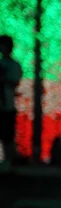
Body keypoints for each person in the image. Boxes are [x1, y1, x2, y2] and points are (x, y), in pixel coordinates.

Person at [0, 35, 23, 168]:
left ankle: (9, 162)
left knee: (8, 135)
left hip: (7, 105)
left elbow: (14, 82)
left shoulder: (13, 65)